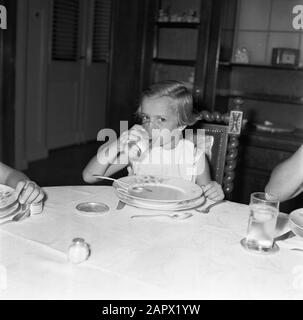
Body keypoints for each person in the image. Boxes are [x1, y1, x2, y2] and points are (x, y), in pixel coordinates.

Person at [83, 80, 224, 201]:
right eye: (146, 118)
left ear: (181, 125)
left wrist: (214, 192)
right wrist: (118, 144)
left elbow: (205, 199)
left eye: (161, 119)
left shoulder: (194, 157)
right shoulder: (137, 150)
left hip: (176, 223)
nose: (150, 126)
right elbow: (90, 177)